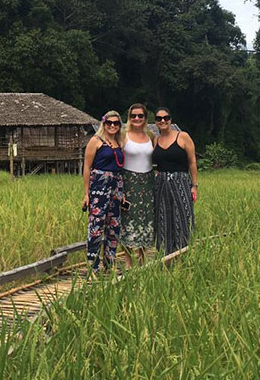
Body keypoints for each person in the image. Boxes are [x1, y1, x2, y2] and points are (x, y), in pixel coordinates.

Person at [82, 110, 125, 275]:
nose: (112, 126)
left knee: (114, 226)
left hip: (116, 187)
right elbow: (87, 167)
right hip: (99, 186)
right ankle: (92, 265)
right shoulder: (96, 141)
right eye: (109, 123)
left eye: (116, 123)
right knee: (96, 226)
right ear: (104, 124)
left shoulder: (119, 143)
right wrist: (86, 193)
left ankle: (110, 263)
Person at [152, 107, 198, 254]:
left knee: (183, 215)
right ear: (156, 122)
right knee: (163, 217)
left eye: (166, 118)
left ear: (170, 120)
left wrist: (194, 185)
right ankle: (166, 253)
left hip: (180, 180)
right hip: (161, 182)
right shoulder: (155, 140)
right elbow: (156, 165)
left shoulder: (182, 136)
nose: (163, 121)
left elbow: (192, 162)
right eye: (159, 119)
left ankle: (184, 251)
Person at [119, 103, 155, 267]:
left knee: (145, 218)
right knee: (127, 218)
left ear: (145, 118)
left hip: (147, 181)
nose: (137, 119)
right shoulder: (123, 135)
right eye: (133, 116)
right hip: (129, 180)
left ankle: (142, 257)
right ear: (129, 117)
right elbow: (117, 159)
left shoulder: (150, 135)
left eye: (140, 116)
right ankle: (127, 259)